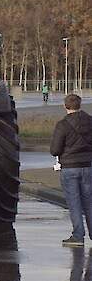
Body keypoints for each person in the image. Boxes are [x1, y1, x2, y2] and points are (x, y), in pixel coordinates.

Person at [51, 94, 92, 247]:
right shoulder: (90, 121)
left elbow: (55, 150)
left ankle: (78, 235)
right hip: (88, 166)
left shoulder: (62, 125)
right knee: (89, 201)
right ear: (80, 105)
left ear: (65, 106)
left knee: (74, 202)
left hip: (69, 168)